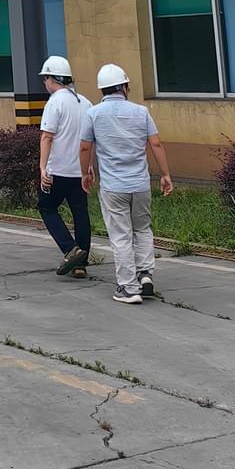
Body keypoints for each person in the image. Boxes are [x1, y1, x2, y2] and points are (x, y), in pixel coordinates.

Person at [79, 63, 174, 305]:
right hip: (140, 184)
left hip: (113, 186)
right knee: (142, 229)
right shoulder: (141, 112)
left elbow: (85, 147)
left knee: (121, 236)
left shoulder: (93, 114)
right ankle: (145, 275)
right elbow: (156, 144)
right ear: (123, 86)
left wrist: (85, 173)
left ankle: (128, 288)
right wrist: (165, 174)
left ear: (102, 89)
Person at [36, 55, 93, 277]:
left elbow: (47, 137)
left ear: (53, 79)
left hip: (57, 170)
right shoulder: (85, 103)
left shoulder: (54, 102)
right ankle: (81, 264)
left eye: (45, 78)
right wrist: (89, 166)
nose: (45, 83)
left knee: (47, 207)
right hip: (79, 171)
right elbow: (90, 140)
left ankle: (71, 249)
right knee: (80, 214)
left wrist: (42, 168)